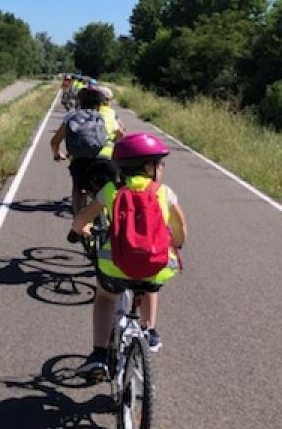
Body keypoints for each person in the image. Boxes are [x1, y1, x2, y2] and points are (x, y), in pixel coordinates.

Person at [72, 132, 187, 379]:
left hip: (116, 264)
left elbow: (81, 220)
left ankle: (99, 355)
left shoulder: (111, 190)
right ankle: (150, 331)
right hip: (156, 264)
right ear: (149, 167)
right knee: (150, 283)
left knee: (105, 297)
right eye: (160, 164)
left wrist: (81, 230)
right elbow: (181, 230)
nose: (162, 168)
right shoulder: (164, 192)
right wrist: (176, 243)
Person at [51, 86, 117, 216]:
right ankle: (113, 221)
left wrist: (57, 154)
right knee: (109, 188)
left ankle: (78, 223)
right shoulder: (107, 117)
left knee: (78, 188)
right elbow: (121, 136)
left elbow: (55, 142)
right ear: (100, 104)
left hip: (80, 161)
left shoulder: (71, 117)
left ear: (79, 103)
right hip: (106, 161)